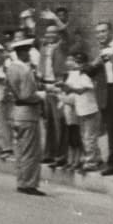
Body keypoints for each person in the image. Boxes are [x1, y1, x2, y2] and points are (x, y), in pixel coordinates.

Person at [85, 22, 113, 177]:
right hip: (105, 93)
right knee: (111, 130)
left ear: (111, 32)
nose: (100, 35)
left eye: (103, 31)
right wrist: (96, 62)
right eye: (98, 32)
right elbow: (88, 72)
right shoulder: (95, 51)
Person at [7, 38, 46, 196]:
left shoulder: (11, 68)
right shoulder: (24, 70)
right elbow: (27, 95)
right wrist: (41, 95)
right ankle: (29, 183)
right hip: (28, 113)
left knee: (21, 150)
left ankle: (22, 181)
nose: (29, 55)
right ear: (22, 53)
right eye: (27, 52)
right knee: (31, 150)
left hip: (17, 113)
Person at [38, 24, 70, 167]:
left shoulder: (61, 46)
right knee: (49, 121)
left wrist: (55, 20)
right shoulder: (44, 48)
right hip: (47, 85)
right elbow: (41, 66)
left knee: (60, 122)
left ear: (58, 34)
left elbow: (65, 35)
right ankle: (49, 153)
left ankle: (61, 155)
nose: (50, 35)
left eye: (53, 33)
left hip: (58, 86)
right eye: (48, 32)